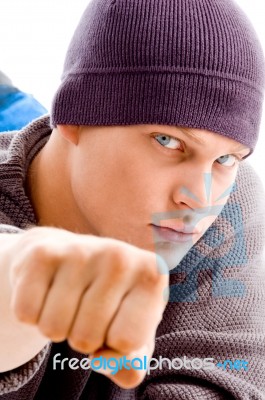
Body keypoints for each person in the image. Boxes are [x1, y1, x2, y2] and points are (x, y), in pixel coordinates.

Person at [0, 0, 265, 398]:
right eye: (167, 141)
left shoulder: (231, 198)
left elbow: (227, 382)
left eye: (226, 158)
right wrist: (18, 284)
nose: (199, 199)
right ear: (77, 115)